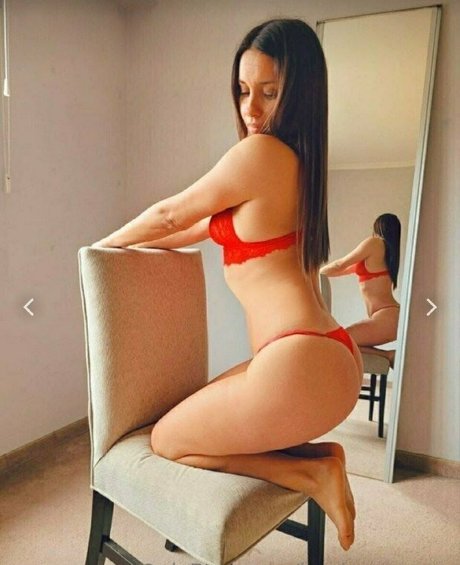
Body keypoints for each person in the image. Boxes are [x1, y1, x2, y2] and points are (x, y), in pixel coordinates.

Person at [92, 19, 363, 551]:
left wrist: (99, 248)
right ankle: (321, 460)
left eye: (269, 92)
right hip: (322, 353)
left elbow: (169, 215)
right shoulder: (296, 165)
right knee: (184, 426)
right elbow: (191, 228)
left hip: (298, 358)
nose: (251, 109)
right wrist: (128, 247)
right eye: (242, 90)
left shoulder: (260, 155)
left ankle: (312, 474)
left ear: (300, 94)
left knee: (167, 440)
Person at [320, 214, 401, 365]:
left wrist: (311, 274)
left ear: (378, 227)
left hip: (386, 317)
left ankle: (389, 355)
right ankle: (388, 355)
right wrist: (319, 275)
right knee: (342, 342)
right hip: (390, 317)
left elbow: (339, 264)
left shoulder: (375, 243)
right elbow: (339, 270)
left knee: (339, 340)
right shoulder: (385, 254)